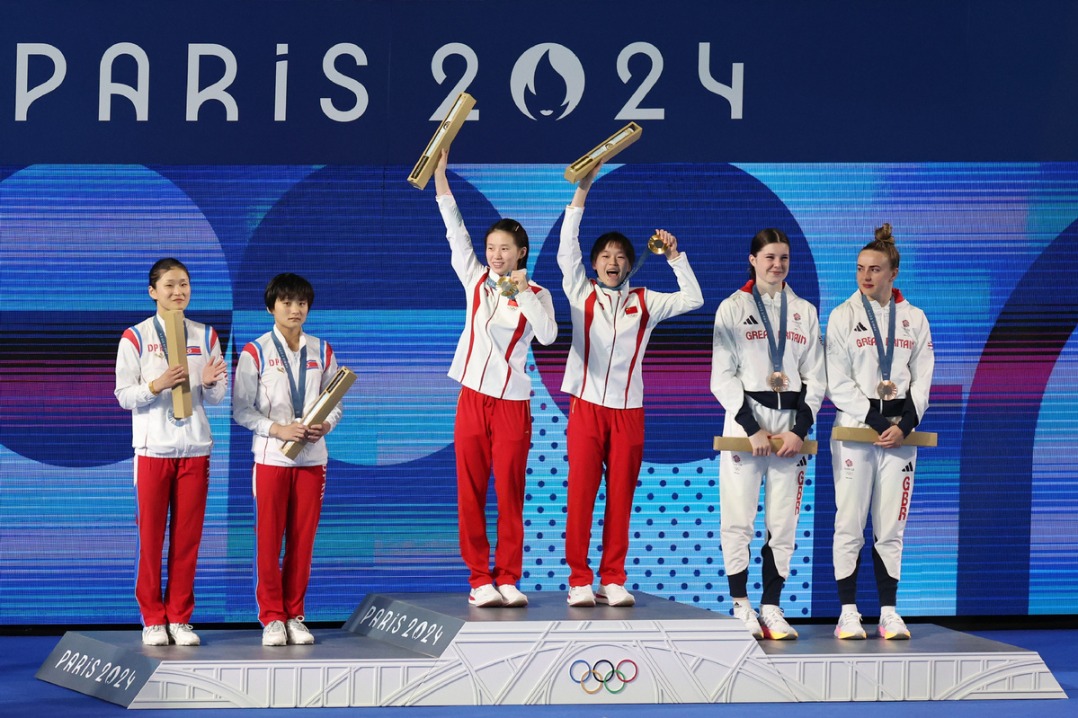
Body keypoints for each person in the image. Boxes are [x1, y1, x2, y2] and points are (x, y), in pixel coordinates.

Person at [560, 164, 704, 608]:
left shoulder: (646, 301)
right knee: (582, 494)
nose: (613, 262)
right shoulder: (577, 290)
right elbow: (567, 246)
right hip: (585, 408)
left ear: (629, 264)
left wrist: (675, 257)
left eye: (621, 257)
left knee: (621, 496)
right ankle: (579, 579)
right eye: (605, 256)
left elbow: (694, 298)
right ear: (594, 262)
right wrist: (582, 193)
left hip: (629, 412)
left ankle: (613, 577)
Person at [433, 149, 558, 608]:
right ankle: (479, 578)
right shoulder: (474, 279)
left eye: (505, 248)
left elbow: (547, 337)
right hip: (471, 398)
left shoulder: (537, 294)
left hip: (511, 404)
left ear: (521, 251)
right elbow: (455, 232)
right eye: (492, 248)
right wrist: (441, 180)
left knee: (509, 491)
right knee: (470, 489)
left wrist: (521, 292)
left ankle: (508, 576)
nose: (496, 255)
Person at [710, 229, 825, 640]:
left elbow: (816, 377)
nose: (778, 265)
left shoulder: (804, 311)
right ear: (753, 260)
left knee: (784, 522)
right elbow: (721, 377)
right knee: (738, 520)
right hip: (746, 426)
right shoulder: (732, 307)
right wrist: (752, 427)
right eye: (770, 257)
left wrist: (799, 429)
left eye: (784, 258)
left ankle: (772, 607)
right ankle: (741, 605)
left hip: (790, 429)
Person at [826, 223, 934, 640]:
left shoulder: (914, 319)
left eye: (875, 269)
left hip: (901, 437)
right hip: (857, 430)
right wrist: (876, 423)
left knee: (891, 525)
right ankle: (848, 612)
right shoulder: (842, 316)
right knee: (850, 521)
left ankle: (889, 611)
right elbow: (838, 381)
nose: (866, 276)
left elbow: (923, 377)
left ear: (893, 274)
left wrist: (905, 424)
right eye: (859, 269)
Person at [115, 258, 228, 646]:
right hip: (152, 451)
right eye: (169, 285)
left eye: (184, 284)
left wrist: (211, 383)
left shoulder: (206, 334)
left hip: (195, 449)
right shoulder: (135, 337)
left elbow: (215, 397)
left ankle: (179, 617)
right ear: (153, 292)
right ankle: (152, 617)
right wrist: (157, 384)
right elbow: (124, 396)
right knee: (150, 538)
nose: (178, 292)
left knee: (187, 538)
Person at [233, 273, 343, 646]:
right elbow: (241, 410)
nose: (295, 310)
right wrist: (276, 429)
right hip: (272, 460)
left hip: (313, 459)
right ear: (271, 308)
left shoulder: (322, 350)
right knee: (268, 539)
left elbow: (336, 402)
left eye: (301, 303)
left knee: (302, 540)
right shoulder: (256, 352)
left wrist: (325, 424)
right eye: (287, 303)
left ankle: (295, 614)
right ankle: (272, 617)